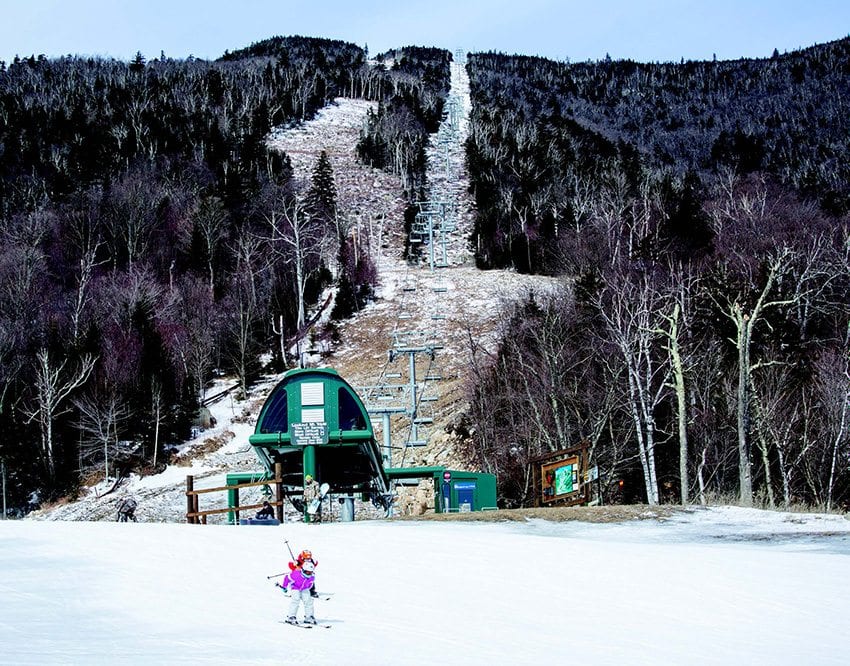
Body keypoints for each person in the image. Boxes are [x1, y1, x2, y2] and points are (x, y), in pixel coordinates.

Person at [278, 560, 317, 624]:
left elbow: (311, 584)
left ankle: (309, 617)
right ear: (303, 570)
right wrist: (284, 586)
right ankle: (291, 617)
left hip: (305, 588)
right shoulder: (296, 574)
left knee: (308, 601)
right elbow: (287, 578)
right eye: (307, 572)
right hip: (295, 587)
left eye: (310, 572)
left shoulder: (312, 577)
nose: (309, 574)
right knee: (295, 600)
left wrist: (308, 589)